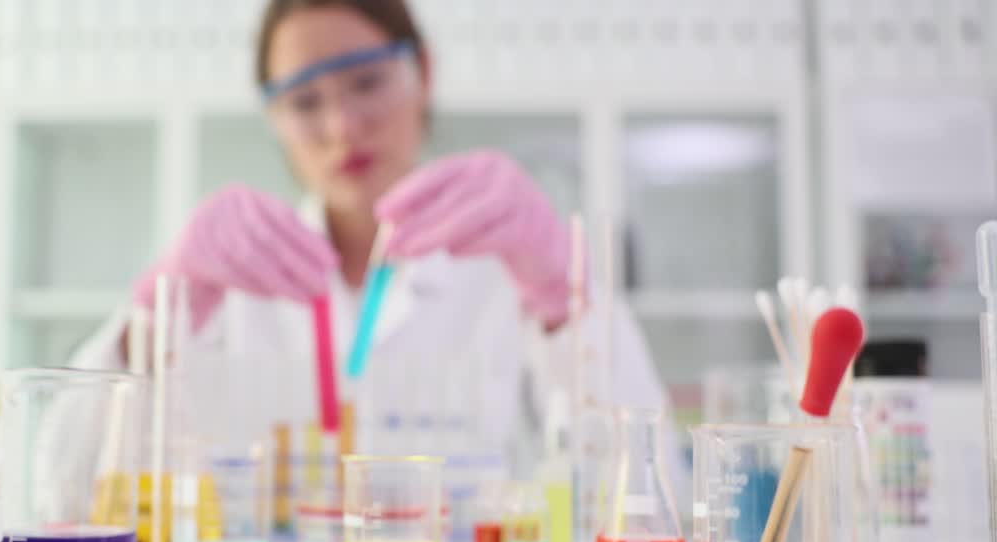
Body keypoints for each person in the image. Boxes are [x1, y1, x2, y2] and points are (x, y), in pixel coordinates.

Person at [75, 0, 666, 459]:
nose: (342, 125)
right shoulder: (226, 280)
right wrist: (152, 320)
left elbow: (648, 486)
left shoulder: (503, 269)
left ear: (423, 73)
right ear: (274, 119)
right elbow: (62, 492)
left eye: (366, 82)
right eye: (305, 102)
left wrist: (562, 293)